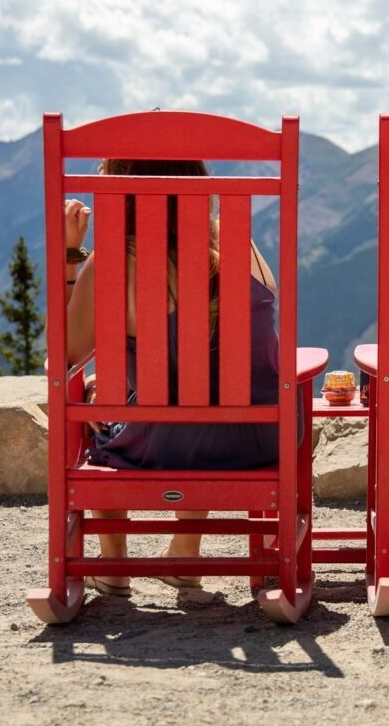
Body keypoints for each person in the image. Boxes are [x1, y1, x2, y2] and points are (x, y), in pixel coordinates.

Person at [62, 158, 282, 597]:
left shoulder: (114, 262)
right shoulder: (240, 243)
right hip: (258, 438)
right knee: (205, 388)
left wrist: (72, 257)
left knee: (103, 410)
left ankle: (115, 564)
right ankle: (185, 553)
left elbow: (66, 356)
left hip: (164, 444)